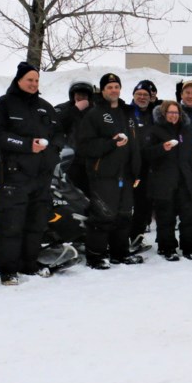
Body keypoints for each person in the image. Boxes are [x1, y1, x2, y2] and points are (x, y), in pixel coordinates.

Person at [0, 62, 63, 284]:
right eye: (29, 79)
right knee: (11, 225)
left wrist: (53, 152)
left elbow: (58, 134)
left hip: (41, 176)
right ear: (19, 80)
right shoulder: (4, 104)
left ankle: (29, 264)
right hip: (14, 175)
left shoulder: (45, 107)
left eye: (36, 80)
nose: (33, 84)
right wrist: (26, 144)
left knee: (36, 223)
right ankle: (8, 270)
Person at [76, 72, 144, 269]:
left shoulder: (128, 113)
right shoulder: (94, 114)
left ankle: (119, 253)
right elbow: (85, 147)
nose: (114, 90)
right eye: (109, 87)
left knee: (124, 215)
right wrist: (111, 143)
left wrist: (137, 170)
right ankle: (96, 256)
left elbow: (135, 144)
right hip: (103, 174)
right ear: (103, 90)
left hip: (126, 174)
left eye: (116, 87)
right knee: (103, 216)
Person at [143, 100, 192, 261]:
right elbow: (146, 154)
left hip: (184, 180)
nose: (173, 116)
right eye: (170, 112)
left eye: (176, 113)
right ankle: (166, 247)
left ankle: (189, 246)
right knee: (166, 216)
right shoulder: (155, 130)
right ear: (164, 114)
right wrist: (161, 148)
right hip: (163, 181)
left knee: (189, 215)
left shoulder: (185, 131)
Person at [128, 80, 157, 251]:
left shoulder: (154, 114)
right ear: (133, 95)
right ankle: (119, 238)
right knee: (125, 204)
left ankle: (136, 236)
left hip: (147, 167)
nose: (142, 97)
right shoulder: (126, 112)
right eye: (139, 94)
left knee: (143, 204)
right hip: (128, 166)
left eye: (145, 95)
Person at [54, 80, 94, 195]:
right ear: (72, 95)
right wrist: (75, 110)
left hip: (91, 163)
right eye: (78, 94)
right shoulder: (63, 108)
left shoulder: (96, 111)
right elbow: (54, 124)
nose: (81, 97)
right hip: (69, 162)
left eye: (84, 95)